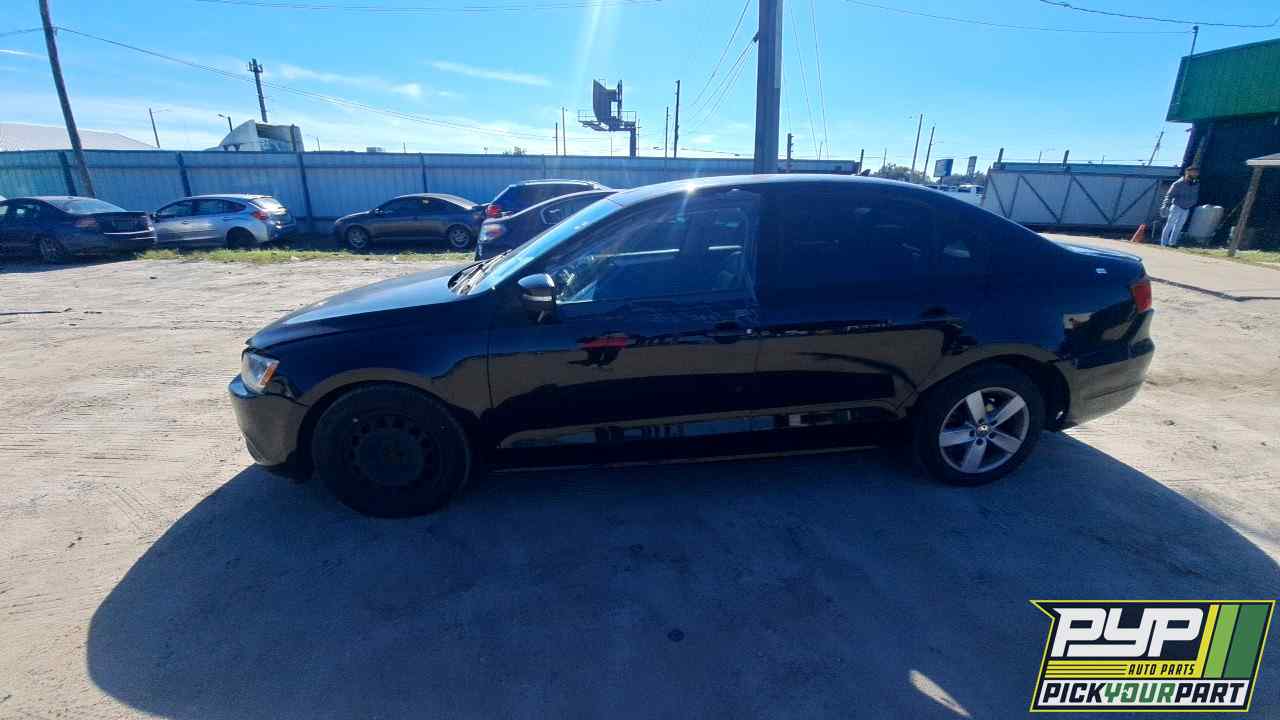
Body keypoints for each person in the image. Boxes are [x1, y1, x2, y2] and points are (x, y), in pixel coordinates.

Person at [1160, 167, 1200, 247]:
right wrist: (1165, 205)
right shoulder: (1178, 183)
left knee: (1179, 226)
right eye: (1194, 172)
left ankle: (1172, 243)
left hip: (1186, 208)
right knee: (1170, 225)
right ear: (1187, 172)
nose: (1195, 174)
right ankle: (1164, 243)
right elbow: (1169, 195)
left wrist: (1192, 203)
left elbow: (1195, 196)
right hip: (1176, 206)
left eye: (1196, 173)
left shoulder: (1196, 184)